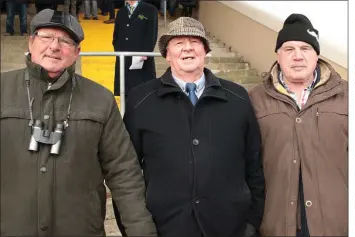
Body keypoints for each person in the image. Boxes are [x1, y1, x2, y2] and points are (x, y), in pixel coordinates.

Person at [0, 9, 156, 236]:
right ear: (31, 42)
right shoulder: (2, 89)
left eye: (65, 41)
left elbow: (123, 173)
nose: (54, 46)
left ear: (77, 52)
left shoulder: (100, 99)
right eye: (46, 37)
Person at [110, 17, 265, 237]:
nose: (188, 48)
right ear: (166, 53)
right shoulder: (141, 100)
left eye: (195, 41)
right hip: (165, 227)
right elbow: (125, 170)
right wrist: (133, 228)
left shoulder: (237, 97)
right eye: (178, 43)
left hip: (230, 227)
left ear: (205, 51)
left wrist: (251, 224)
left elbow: (254, 165)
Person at [249, 13, 348, 237]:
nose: (297, 56)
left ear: (317, 54)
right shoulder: (254, 99)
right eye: (289, 49)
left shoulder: (345, 95)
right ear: (278, 54)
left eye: (305, 48)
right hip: (276, 224)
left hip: (335, 225)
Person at [112, 0, 158, 99]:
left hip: (142, 60)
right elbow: (116, 35)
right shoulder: (121, 12)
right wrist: (119, 51)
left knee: (144, 93)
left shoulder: (150, 10)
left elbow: (152, 34)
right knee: (126, 93)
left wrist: (145, 53)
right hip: (124, 59)